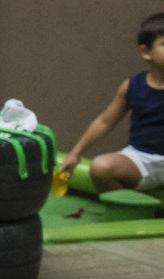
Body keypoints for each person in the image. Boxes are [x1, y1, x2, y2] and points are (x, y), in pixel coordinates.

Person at [60, 12, 164, 193]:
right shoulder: (132, 86)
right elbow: (104, 122)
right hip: (141, 160)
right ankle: (129, 209)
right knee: (101, 167)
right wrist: (75, 154)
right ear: (146, 52)